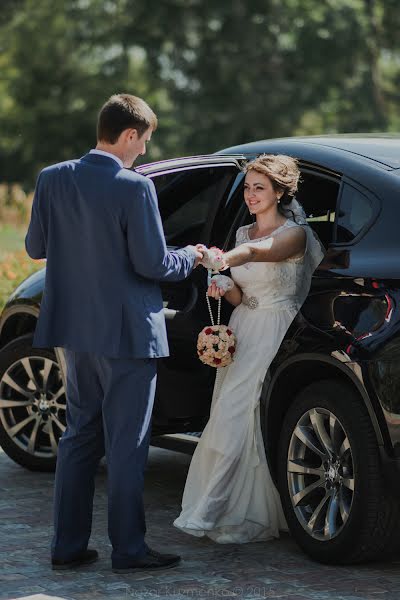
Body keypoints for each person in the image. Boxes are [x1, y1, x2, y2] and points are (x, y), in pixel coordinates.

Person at [25, 93, 203, 572]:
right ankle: (129, 549)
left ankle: (66, 547)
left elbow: (36, 247)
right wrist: (193, 254)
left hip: (74, 331)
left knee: (79, 436)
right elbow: (154, 263)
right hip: (127, 334)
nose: (144, 151)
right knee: (128, 444)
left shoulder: (51, 178)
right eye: (143, 141)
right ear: (128, 135)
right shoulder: (134, 187)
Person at [174, 154, 324, 543]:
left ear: (278, 192)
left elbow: (260, 253)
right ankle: (242, 507)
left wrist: (222, 259)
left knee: (233, 413)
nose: (251, 195)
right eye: (247, 187)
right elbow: (244, 294)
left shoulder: (295, 234)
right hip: (243, 327)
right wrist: (226, 287)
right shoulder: (242, 232)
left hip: (275, 328)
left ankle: (209, 510)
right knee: (231, 412)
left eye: (259, 187)